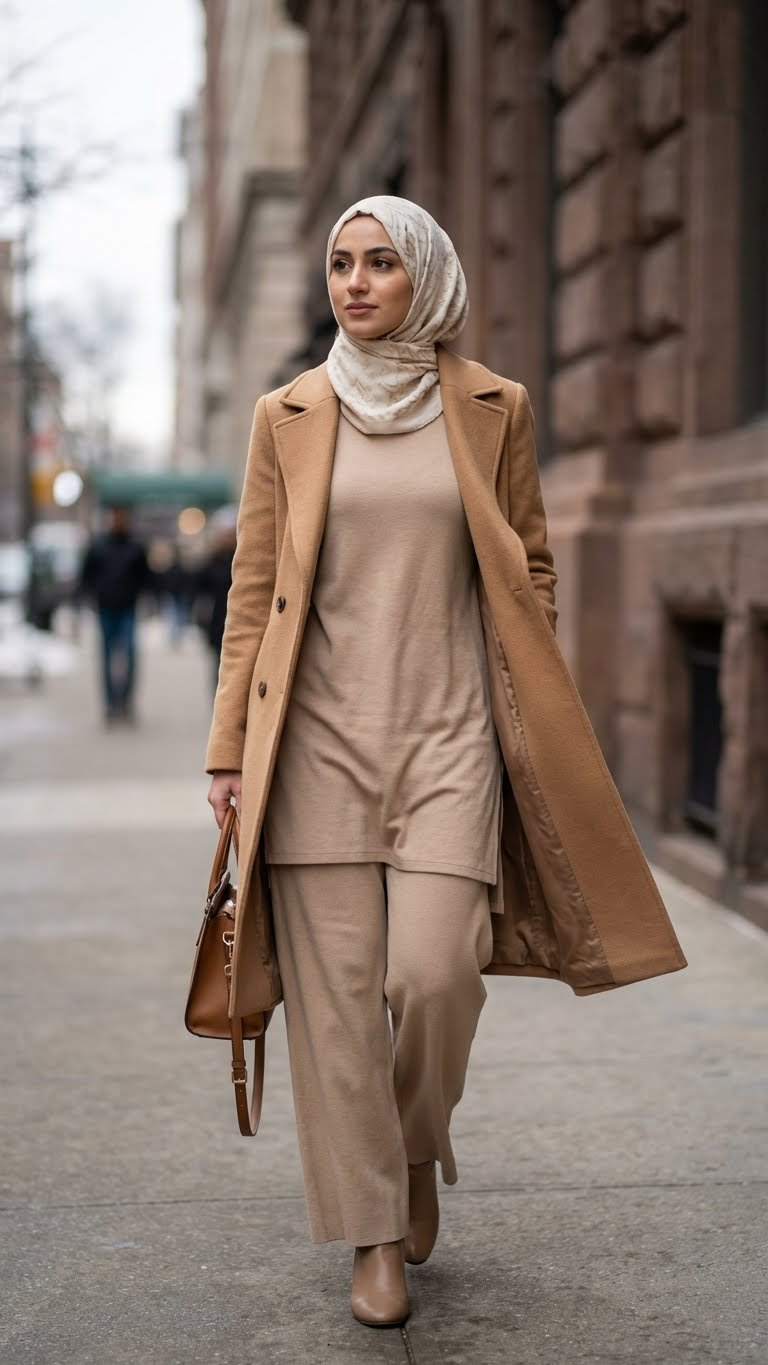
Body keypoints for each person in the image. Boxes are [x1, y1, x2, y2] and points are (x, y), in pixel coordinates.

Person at [205, 197, 686, 1329]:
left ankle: (416, 1145)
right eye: (340, 263)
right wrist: (229, 748)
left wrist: (524, 673)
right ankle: (375, 1232)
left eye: (381, 262)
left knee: (433, 978)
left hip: (451, 742)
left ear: (426, 275)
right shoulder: (287, 414)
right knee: (336, 1008)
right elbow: (252, 591)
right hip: (315, 746)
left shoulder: (492, 406)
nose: (355, 282)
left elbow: (531, 563)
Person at [80, 504, 150, 724]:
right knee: (106, 658)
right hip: (105, 609)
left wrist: (145, 596)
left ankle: (125, 701)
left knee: (129, 655)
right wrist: (91, 595)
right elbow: (86, 576)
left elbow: (146, 577)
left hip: (128, 608)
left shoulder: (135, 547)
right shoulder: (98, 546)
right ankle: (110, 703)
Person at [193, 511, 237, 695]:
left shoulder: (241, 561)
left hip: (238, 621)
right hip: (218, 623)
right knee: (218, 667)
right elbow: (199, 589)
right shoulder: (211, 562)